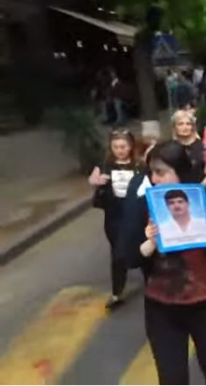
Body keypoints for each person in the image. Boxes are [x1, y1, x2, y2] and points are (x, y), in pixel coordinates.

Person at [129, 141, 206, 385]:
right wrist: (149, 243)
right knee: (172, 377)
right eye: (151, 172)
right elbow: (128, 257)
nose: (154, 179)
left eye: (161, 172)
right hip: (162, 306)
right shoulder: (142, 205)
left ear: (180, 171)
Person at [89, 129, 140, 309]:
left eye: (123, 146)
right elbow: (92, 179)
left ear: (130, 146)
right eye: (116, 147)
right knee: (117, 252)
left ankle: (152, 283)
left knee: (143, 249)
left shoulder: (138, 165)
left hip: (135, 213)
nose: (120, 150)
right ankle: (117, 292)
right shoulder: (105, 165)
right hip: (114, 215)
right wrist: (97, 181)